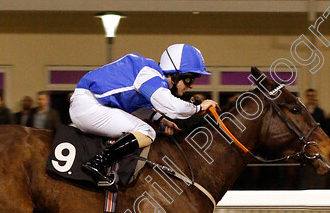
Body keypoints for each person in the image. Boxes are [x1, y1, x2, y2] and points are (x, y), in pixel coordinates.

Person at [69, 43, 219, 185]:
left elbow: (136, 106)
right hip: (88, 106)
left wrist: (159, 119)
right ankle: (99, 162)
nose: (192, 85)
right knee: (147, 132)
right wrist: (199, 108)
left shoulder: (150, 75)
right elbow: (171, 107)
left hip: (88, 105)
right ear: (175, 73)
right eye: (189, 79)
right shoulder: (149, 74)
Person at [298, 88, 326, 189]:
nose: (311, 98)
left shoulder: (320, 112)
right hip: (304, 145)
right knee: (304, 170)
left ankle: (318, 189)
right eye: (309, 96)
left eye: (312, 96)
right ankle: (304, 189)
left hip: (317, 145)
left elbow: (323, 128)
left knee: (318, 167)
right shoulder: (302, 110)